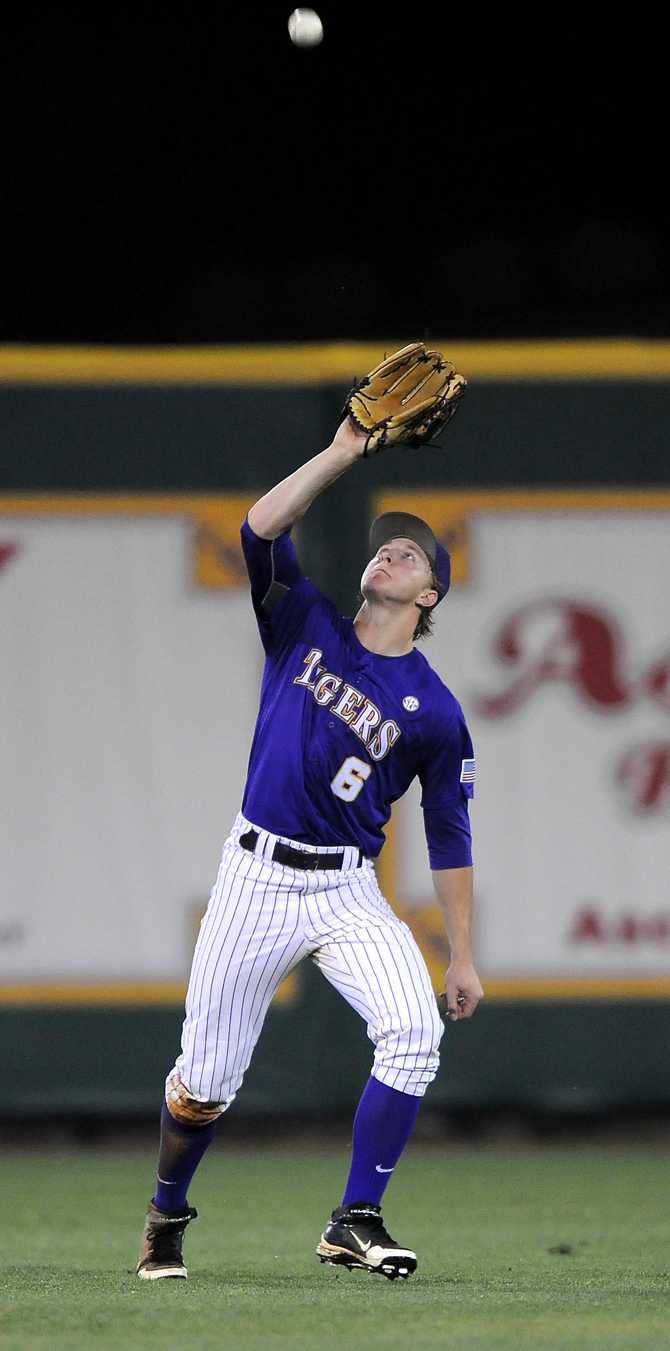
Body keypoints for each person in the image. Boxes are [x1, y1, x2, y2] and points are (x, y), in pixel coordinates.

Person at [136, 413, 484, 1283]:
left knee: (412, 1031)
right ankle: (167, 1210)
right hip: (256, 872)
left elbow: (449, 831)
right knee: (203, 1082)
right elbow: (258, 527)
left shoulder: (434, 710)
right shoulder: (301, 622)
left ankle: (355, 1217)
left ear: (431, 594)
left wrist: (464, 954)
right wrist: (341, 452)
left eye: (409, 555)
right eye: (383, 547)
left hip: (346, 889)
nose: (389, 555)